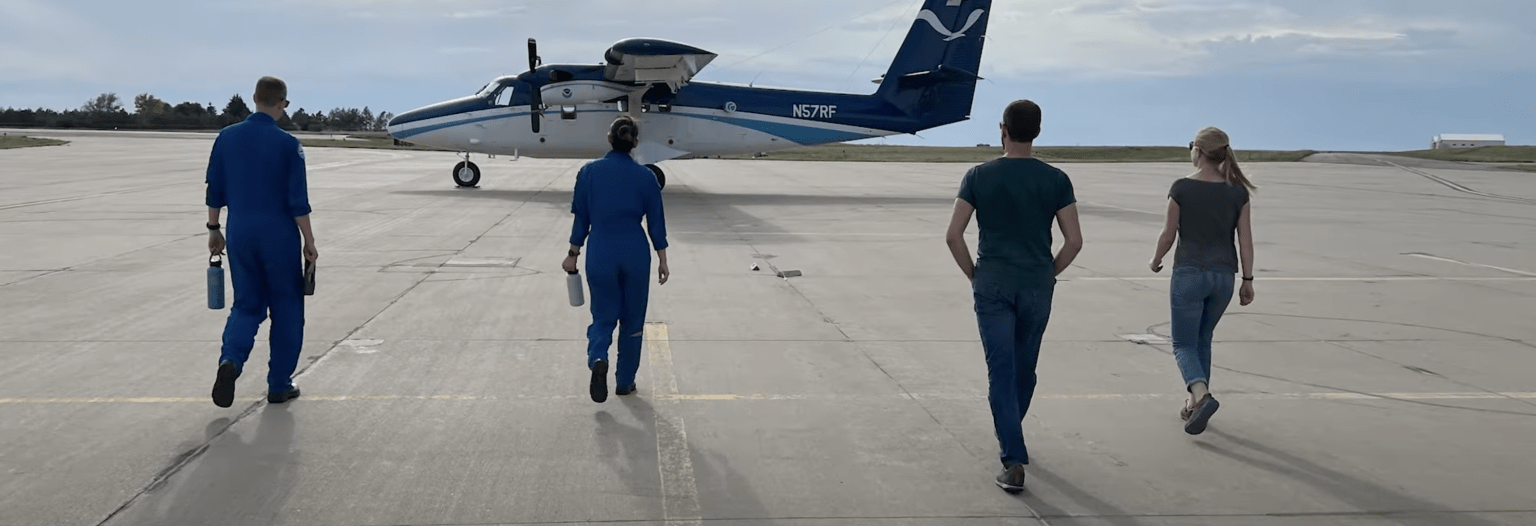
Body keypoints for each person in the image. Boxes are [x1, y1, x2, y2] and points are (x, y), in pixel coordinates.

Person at [945, 100, 1083, 493]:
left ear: (1002, 129)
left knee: (1000, 370)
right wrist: (1048, 273)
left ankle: (1013, 458)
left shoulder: (977, 175)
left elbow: (954, 235)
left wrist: (975, 274)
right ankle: (1013, 435)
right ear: (1037, 131)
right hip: (1037, 284)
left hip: (993, 283)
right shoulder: (1056, 179)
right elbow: (1074, 241)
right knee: (1025, 368)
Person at [206, 76, 318, 408]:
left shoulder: (226, 137)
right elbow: (298, 201)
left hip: (239, 231)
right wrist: (309, 242)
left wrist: (214, 228)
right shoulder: (288, 144)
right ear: (283, 104)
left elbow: (215, 189)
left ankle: (231, 361)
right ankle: (279, 384)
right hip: (278, 235)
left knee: (246, 305)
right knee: (286, 309)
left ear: (254, 98)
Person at [1148, 126, 1257, 435]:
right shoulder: (1238, 192)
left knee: (1183, 343)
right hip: (1224, 277)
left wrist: (1156, 260)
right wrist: (1247, 279)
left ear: (1197, 151)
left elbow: (1168, 234)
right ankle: (1195, 405)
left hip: (1190, 275)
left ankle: (1201, 395)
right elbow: (1245, 241)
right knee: (1202, 339)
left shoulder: (1182, 188)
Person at [563, 115, 669, 404]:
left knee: (603, 315)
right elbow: (656, 223)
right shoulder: (646, 177)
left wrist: (573, 255)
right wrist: (662, 258)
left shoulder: (589, 172)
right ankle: (625, 381)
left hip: (601, 250)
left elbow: (581, 219)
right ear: (635, 143)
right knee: (633, 320)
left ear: (609, 138)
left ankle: (598, 357)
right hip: (635, 252)